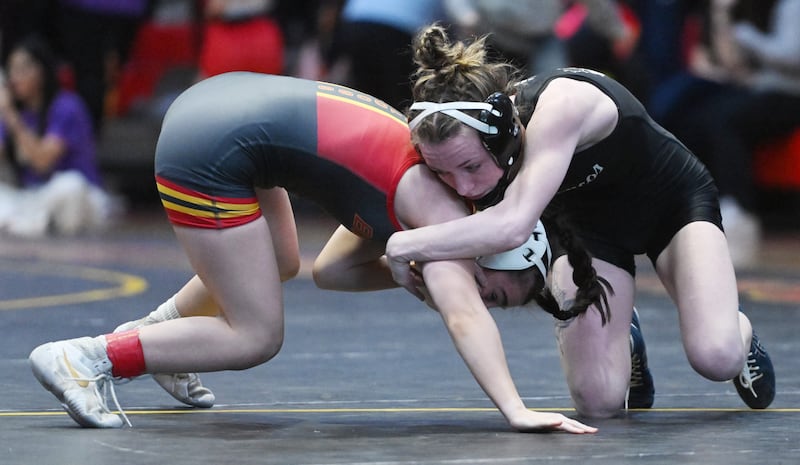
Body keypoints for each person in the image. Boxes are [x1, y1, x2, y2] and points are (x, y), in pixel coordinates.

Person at [27, 72, 599, 433]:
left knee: (282, 261)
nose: (482, 298)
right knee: (256, 335)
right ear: (496, 253)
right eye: (494, 291)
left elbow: (332, 271)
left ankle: (166, 343)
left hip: (222, 108)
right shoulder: (443, 217)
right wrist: (516, 410)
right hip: (210, 148)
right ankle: (88, 357)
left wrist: (405, 271)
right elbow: (462, 314)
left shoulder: (429, 195)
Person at [385, 24, 775, 418]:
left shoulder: (562, 105)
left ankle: (738, 333)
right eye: (444, 174)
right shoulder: (473, 149)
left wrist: (403, 245)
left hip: (671, 205)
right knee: (598, 401)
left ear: (502, 133)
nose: (463, 187)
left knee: (716, 356)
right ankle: (626, 336)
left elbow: (513, 225)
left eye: (469, 166)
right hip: (589, 231)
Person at [0, 35, 116, 237]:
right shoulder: (14, 113)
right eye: (12, 70)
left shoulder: (67, 106)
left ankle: (28, 223)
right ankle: (33, 222)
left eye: (22, 69)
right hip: (34, 196)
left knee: (69, 186)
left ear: (42, 71)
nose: (15, 77)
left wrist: (11, 117)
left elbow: (42, 162)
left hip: (79, 197)